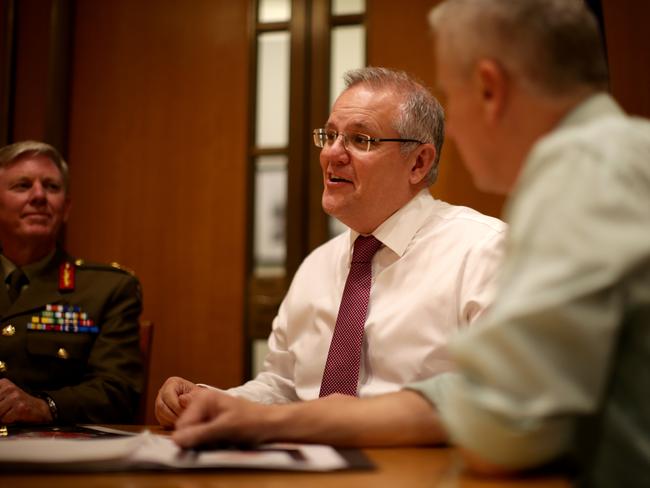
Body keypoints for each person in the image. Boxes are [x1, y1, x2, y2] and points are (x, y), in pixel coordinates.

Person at [171, 1, 650, 485]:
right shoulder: (613, 158)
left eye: (454, 96)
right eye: (331, 135)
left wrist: (278, 423)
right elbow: (285, 384)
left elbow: (506, 430)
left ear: (490, 88)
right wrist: (228, 405)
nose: (455, 128)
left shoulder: (576, 181)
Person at [155, 67, 506, 427]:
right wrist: (211, 401)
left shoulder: (485, 252)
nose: (332, 154)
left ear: (418, 163)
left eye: (360, 140)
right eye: (330, 135)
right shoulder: (317, 266)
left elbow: (503, 399)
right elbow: (284, 387)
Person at [0, 140, 143, 424]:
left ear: (65, 209)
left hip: (54, 451)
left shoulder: (107, 289)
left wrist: (44, 407)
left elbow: (118, 391)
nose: (39, 195)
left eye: (52, 187)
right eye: (23, 186)